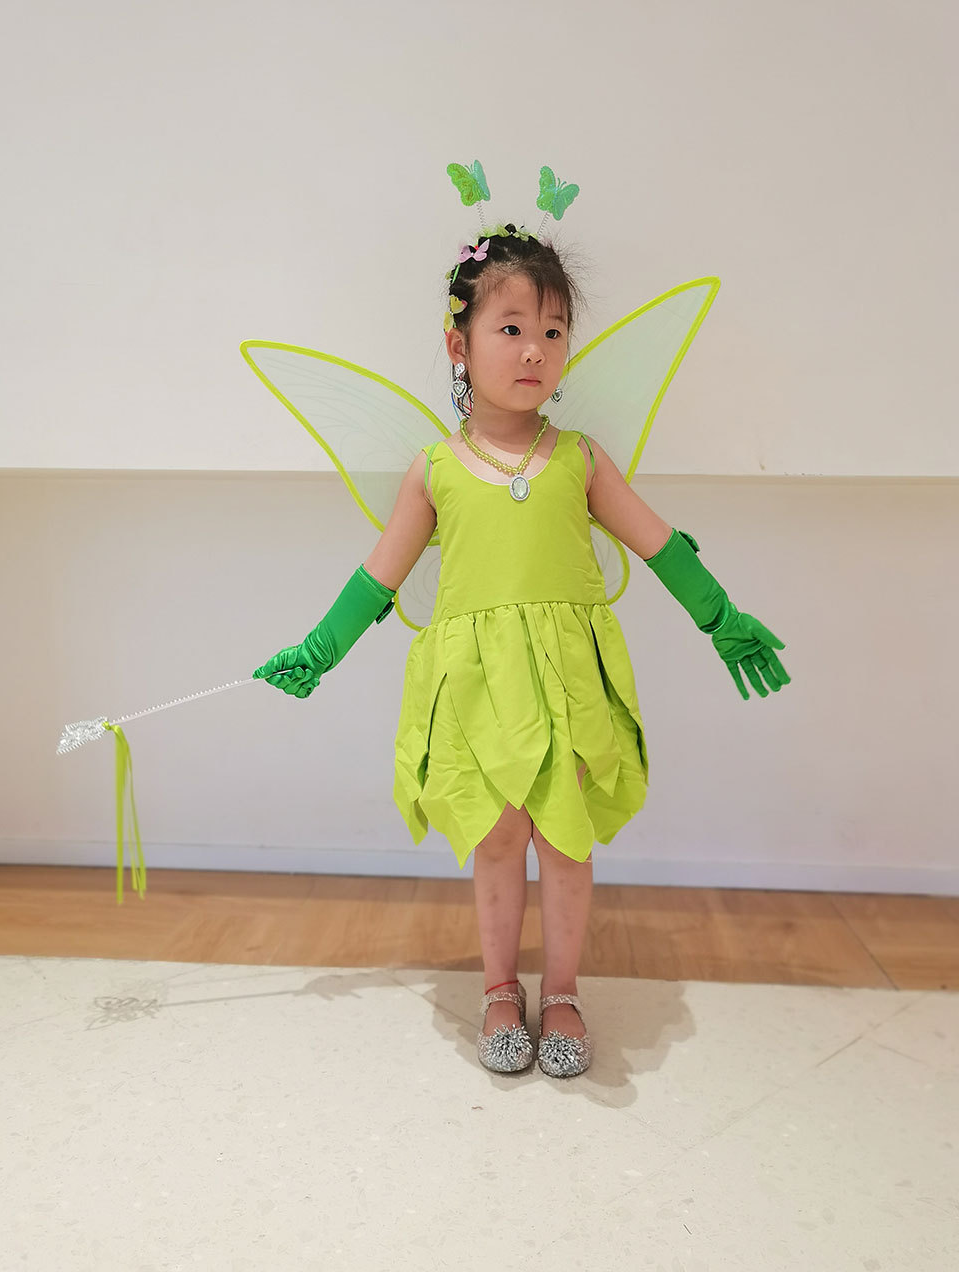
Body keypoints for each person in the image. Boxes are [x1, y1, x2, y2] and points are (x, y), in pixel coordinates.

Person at [253, 222, 790, 1080]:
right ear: (458, 344)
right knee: (498, 834)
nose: (534, 348)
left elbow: (659, 543)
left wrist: (718, 614)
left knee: (565, 836)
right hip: (475, 685)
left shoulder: (579, 459)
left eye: (552, 329)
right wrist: (319, 649)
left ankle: (564, 990)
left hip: (566, 679)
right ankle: (500, 989)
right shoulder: (435, 469)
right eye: (510, 327)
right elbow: (379, 576)